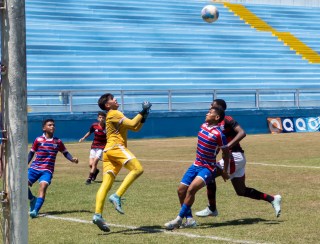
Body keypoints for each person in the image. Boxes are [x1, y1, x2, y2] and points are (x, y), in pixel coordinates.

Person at [195, 99, 282, 219]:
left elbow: (242, 133)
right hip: (235, 158)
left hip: (234, 156)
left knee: (209, 174)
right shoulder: (214, 124)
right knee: (241, 191)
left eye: (212, 106)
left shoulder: (227, 119)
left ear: (220, 108)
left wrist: (227, 147)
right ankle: (272, 198)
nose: (210, 107)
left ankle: (212, 208)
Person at [92, 93, 152, 232]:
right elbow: (132, 123)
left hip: (108, 152)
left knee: (106, 185)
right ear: (108, 105)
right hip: (116, 148)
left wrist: (144, 116)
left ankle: (97, 215)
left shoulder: (116, 115)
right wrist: (142, 111)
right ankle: (117, 196)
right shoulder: (113, 113)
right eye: (113, 99)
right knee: (138, 169)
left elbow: (135, 128)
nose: (116, 99)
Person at [164, 107, 230, 230]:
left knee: (191, 190)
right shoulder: (203, 125)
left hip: (208, 168)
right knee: (181, 190)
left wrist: (224, 171)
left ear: (216, 117)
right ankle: (189, 219)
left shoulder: (219, 134)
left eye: (210, 113)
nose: (207, 113)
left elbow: (226, 153)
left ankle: (178, 219)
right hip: (195, 165)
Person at [28, 119, 78, 218]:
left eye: (53, 125)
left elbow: (65, 153)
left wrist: (72, 159)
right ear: (44, 128)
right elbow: (31, 153)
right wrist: (24, 164)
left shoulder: (58, 141)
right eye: (50, 125)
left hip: (47, 171)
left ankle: (35, 211)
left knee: (43, 187)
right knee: (22, 186)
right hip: (34, 168)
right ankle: (32, 199)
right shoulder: (38, 140)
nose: (52, 127)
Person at [79, 111, 106, 185]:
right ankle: (96, 171)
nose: (101, 119)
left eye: (103, 117)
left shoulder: (107, 127)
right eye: (100, 117)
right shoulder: (94, 125)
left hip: (101, 147)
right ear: (98, 118)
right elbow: (89, 132)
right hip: (94, 146)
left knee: (94, 163)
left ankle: (89, 179)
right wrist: (83, 138)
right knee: (91, 165)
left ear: (105, 118)